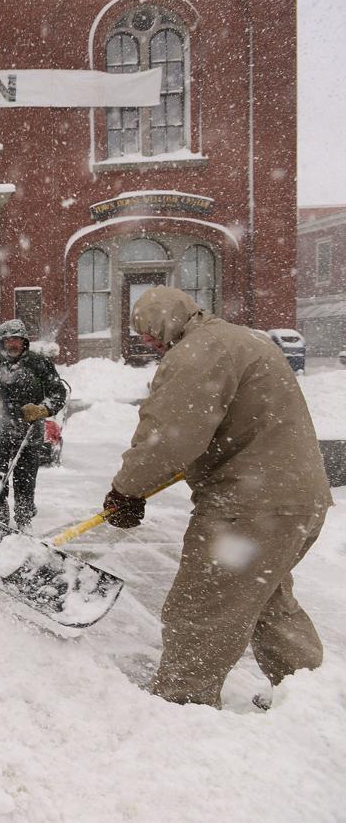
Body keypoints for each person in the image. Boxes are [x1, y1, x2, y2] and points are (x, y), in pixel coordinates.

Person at [103, 287, 331, 708]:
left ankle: (183, 705)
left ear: (170, 319)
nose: (149, 341)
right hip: (298, 500)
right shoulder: (242, 339)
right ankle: (309, 697)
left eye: (150, 331)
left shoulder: (198, 352)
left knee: (203, 608)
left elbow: (168, 436)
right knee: (265, 597)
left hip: (250, 507)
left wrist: (126, 489)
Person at [0, 319, 68, 532]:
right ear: (0, 343)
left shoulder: (39, 364)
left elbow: (57, 393)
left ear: (24, 341)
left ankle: (24, 518)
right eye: (6, 340)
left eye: (15, 339)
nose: (11, 344)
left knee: (25, 479)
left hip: (29, 432)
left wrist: (42, 409)